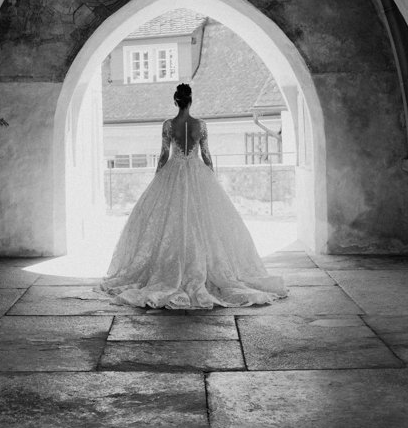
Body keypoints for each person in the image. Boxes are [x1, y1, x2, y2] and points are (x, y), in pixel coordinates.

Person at [100, 83, 287, 309]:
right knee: (203, 225)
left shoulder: (169, 125)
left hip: (173, 172)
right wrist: (211, 177)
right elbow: (207, 155)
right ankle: (203, 268)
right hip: (198, 173)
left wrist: (158, 177)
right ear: (190, 101)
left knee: (173, 224)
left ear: (175, 101)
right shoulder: (201, 125)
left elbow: (163, 155)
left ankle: (173, 268)